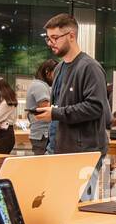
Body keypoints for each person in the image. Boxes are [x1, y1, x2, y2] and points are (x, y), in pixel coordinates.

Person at [34, 13, 110, 195]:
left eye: (55, 38)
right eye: (48, 38)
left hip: (83, 154)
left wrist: (56, 113)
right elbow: (60, 107)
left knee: (80, 213)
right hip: (57, 150)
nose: (51, 43)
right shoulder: (59, 68)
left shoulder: (90, 67)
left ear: (71, 36)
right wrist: (51, 112)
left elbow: (95, 107)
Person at [25, 58, 57, 156]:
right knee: (43, 166)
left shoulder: (42, 85)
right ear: (47, 72)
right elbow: (45, 109)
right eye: (55, 73)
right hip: (43, 134)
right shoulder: (39, 86)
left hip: (43, 134)